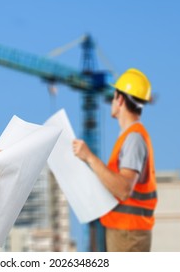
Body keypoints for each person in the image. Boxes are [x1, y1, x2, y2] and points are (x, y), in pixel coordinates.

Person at [72, 68, 157, 252]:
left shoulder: (134, 138)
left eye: (114, 96)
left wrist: (90, 157)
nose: (111, 100)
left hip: (129, 233)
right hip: (125, 232)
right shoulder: (129, 137)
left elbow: (124, 189)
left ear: (120, 99)